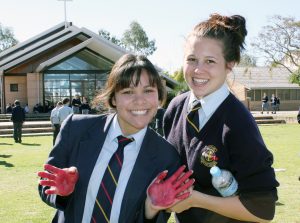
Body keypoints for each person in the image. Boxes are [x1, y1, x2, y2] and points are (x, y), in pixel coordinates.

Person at [37, 54, 194, 223]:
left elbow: (155, 218)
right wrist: (62, 193)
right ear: (113, 98)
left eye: (148, 91)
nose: (140, 101)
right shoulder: (75, 129)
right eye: (128, 92)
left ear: (159, 97)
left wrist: (151, 208)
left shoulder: (167, 156)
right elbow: (47, 184)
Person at [163, 14, 279, 223]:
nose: (198, 70)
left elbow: (263, 209)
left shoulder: (238, 123)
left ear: (229, 64)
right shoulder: (175, 109)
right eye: (191, 59)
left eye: (210, 61)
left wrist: (195, 200)